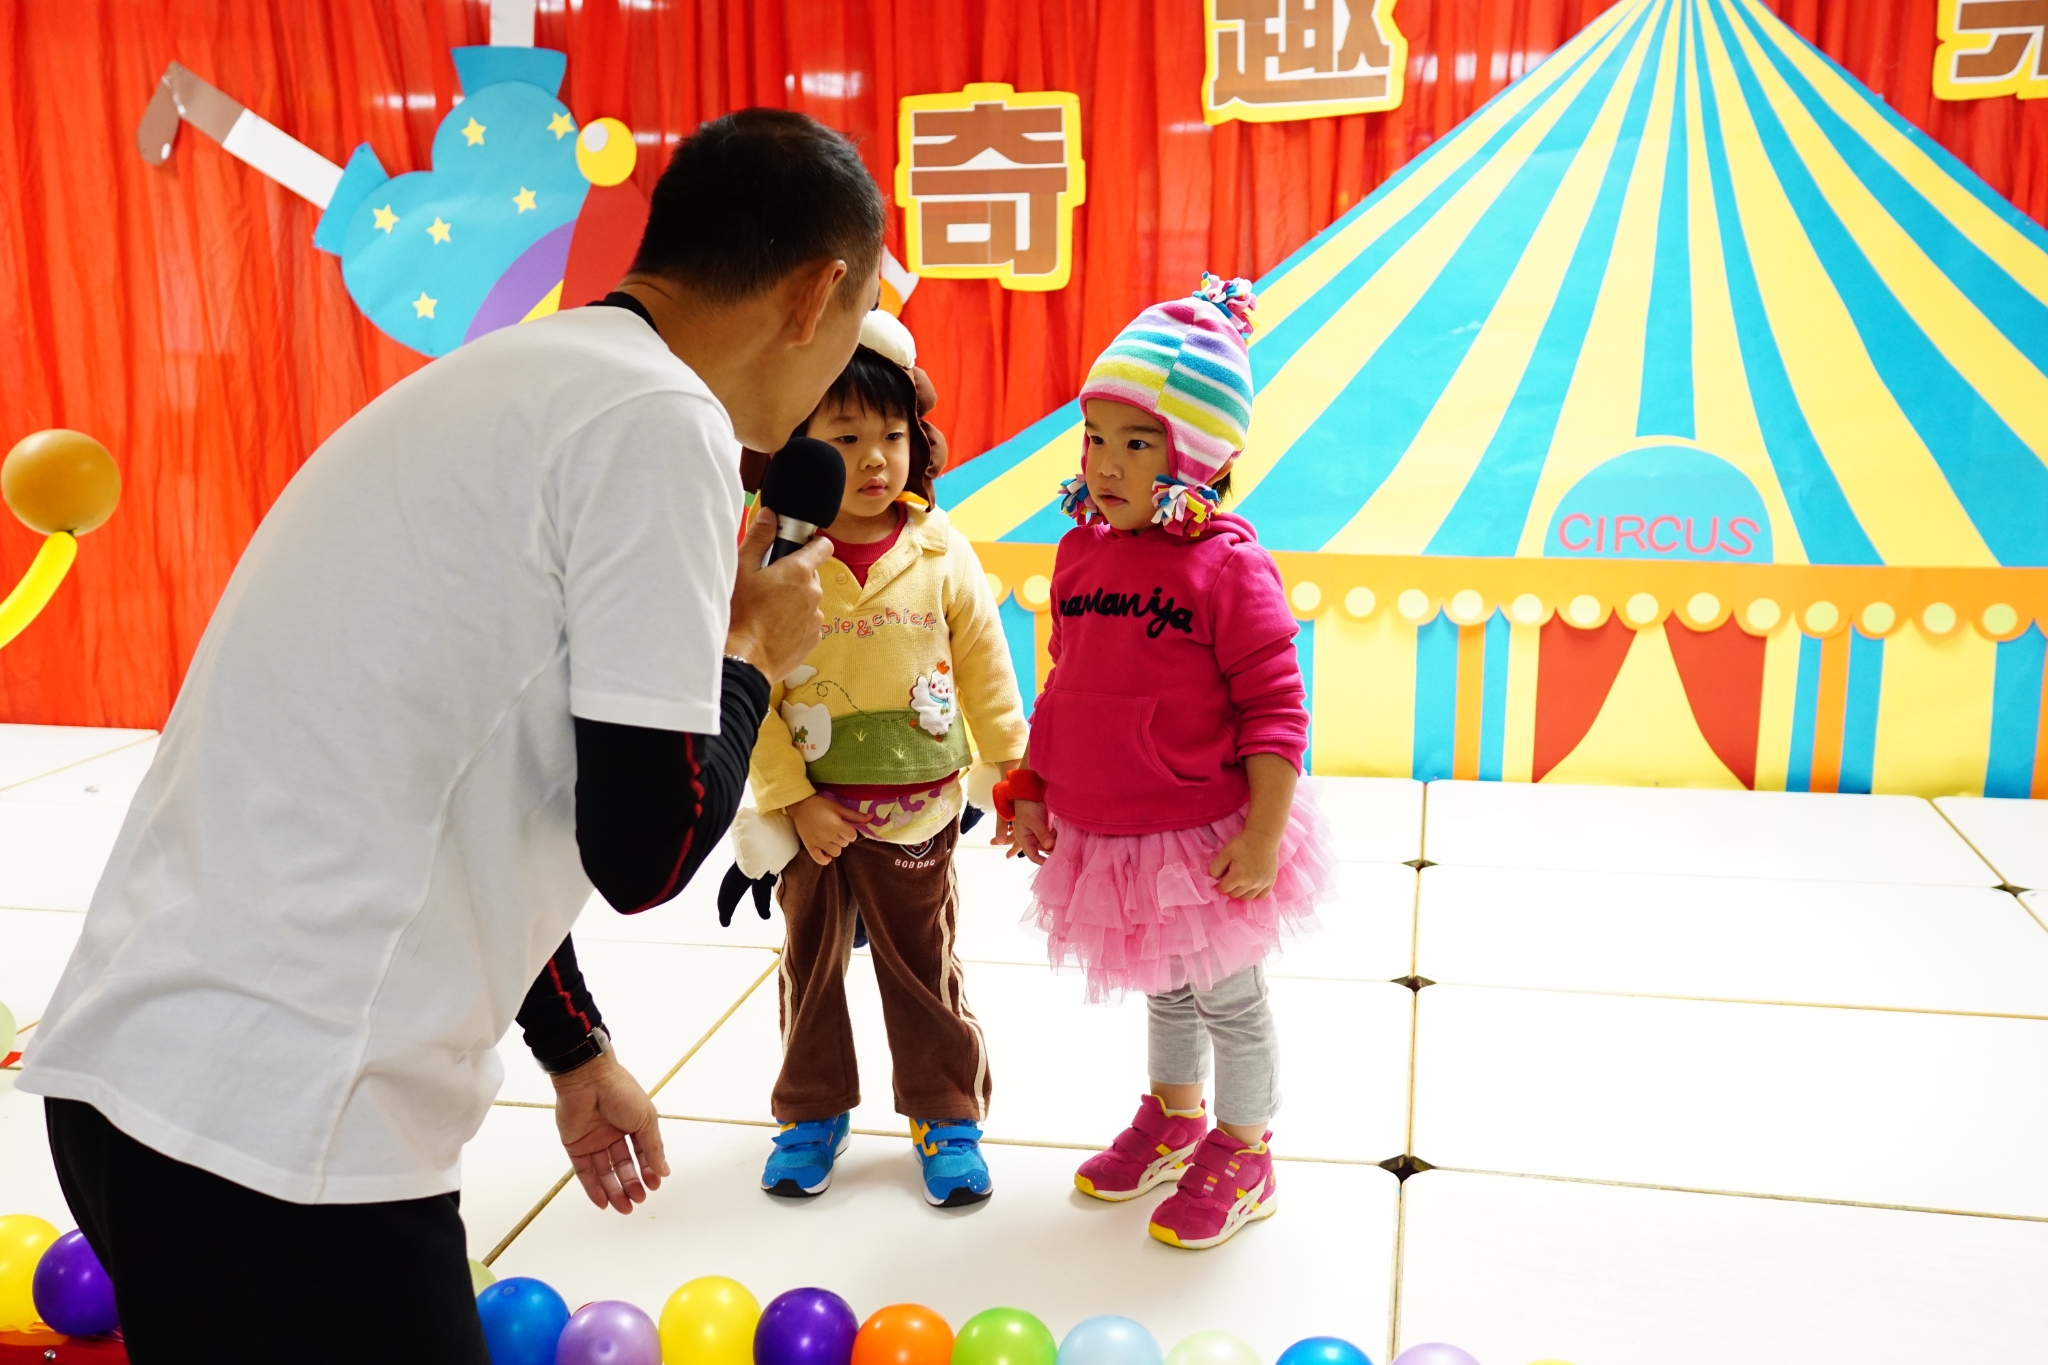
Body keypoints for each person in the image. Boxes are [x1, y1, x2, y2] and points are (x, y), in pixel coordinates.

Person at [16, 109, 882, 1363]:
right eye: (858, 321)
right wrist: (749, 651)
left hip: (142, 1087)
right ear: (815, 293)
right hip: (290, 1136)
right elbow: (646, 847)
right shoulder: (662, 419)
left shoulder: (505, 381)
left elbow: (439, 775)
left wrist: (574, 1050)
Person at [994, 274, 1335, 1251]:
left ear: (1196, 454)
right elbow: (1065, 684)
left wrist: (1263, 834)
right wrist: (1032, 783)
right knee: (1165, 985)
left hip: (1202, 833)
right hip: (1116, 830)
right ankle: (1177, 1117)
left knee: (1227, 996)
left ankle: (1246, 1147)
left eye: (1137, 443)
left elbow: (1277, 711)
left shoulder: (1228, 566)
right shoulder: (1081, 554)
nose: (1104, 463)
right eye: (1094, 437)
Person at [740, 310, 1028, 1207]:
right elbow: (747, 685)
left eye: (892, 436)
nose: (874, 459)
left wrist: (1014, 770)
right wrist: (795, 798)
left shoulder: (941, 549)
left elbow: (986, 666)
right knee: (810, 967)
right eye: (845, 438)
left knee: (922, 964)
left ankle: (946, 1112)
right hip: (812, 821)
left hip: (920, 810)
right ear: (800, 448)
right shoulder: (776, 559)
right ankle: (811, 1111)